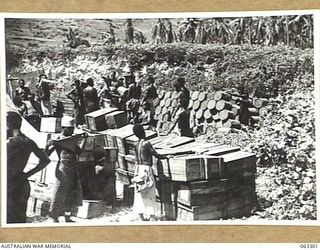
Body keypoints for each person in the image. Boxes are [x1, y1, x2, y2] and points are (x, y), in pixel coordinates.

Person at [7, 111, 50, 223]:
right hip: (21, 184)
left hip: (9, 184)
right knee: (19, 220)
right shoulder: (28, 141)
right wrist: (27, 175)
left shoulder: (9, 143)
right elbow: (45, 160)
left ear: (8, 124)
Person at [45, 116, 87, 223]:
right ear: (64, 128)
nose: (72, 131)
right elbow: (47, 153)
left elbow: (79, 152)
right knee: (60, 192)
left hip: (73, 167)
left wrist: (85, 140)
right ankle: (54, 216)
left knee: (71, 192)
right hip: (63, 168)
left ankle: (67, 216)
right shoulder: (59, 139)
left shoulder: (71, 140)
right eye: (70, 129)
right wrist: (48, 145)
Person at [131, 124, 167, 221]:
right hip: (146, 169)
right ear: (143, 132)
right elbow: (155, 154)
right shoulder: (146, 143)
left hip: (138, 169)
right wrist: (166, 157)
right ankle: (151, 216)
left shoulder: (135, 144)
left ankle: (140, 215)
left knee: (139, 192)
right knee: (150, 193)